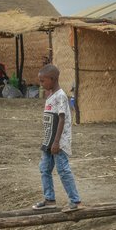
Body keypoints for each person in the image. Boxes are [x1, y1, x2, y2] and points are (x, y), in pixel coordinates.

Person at [33, 64, 81, 211]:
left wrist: (56, 142)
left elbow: (61, 119)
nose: (41, 84)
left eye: (43, 81)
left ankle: (75, 201)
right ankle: (49, 200)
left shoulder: (60, 96)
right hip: (49, 141)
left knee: (63, 170)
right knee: (44, 169)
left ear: (53, 79)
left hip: (58, 142)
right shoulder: (51, 96)